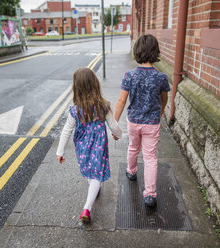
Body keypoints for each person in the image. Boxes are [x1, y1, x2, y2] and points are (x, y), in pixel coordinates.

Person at [56, 68, 122, 223]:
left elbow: (66, 131)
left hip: (82, 147)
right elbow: (113, 126)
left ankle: (91, 196)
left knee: (90, 172)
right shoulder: (103, 106)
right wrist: (119, 135)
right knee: (96, 174)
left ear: (76, 88)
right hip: (99, 146)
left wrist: (60, 151)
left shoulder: (75, 110)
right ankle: (87, 207)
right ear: (95, 85)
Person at [114, 34, 170, 207]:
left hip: (134, 121)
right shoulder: (161, 78)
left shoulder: (129, 76)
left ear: (137, 51)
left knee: (133, 147)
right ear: (156, 52)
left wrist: (114, 123)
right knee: (150, 157)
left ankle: (131, 171)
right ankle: (150, 194)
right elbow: (164, 99)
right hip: (152, 123)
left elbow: (121, 101)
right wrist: (159, 113)